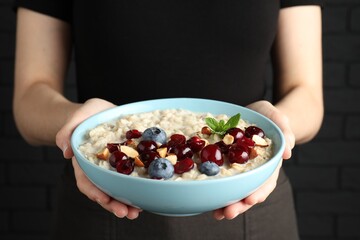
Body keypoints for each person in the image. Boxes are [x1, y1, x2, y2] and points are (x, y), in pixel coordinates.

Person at [13, 1, 323, 239]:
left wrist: (272, 130)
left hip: (251, 206)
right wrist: (79, 124)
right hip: (101, 202)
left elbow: (306, 95)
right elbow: (30, 99)